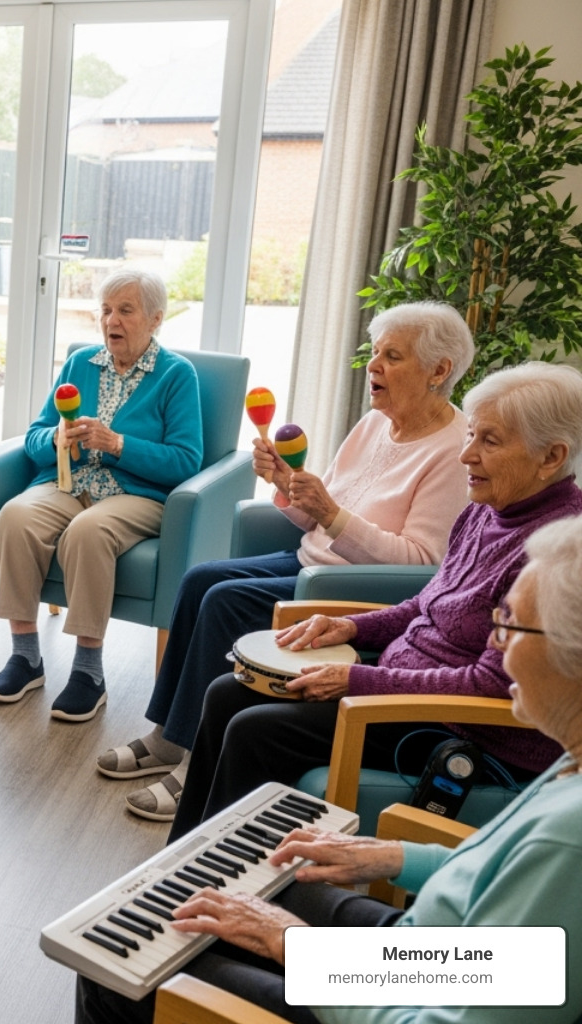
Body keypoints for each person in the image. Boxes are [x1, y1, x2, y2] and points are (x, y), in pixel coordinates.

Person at [77, 513, 582, 1024]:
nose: (494, 645)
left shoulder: (568, 836)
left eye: (510, 625)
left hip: (421, 986)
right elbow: (496, 882)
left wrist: (289, 945)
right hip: (448, 957)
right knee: (233, 891)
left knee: (113, 972)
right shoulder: (571, 764)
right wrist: (395, 856)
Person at [169, 361, 582, 841]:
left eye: (489, 442)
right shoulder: (485, 510)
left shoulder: (557, 550)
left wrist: (359, 679)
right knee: (227, 692)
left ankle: (233, 872)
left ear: (551, 457)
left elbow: (491, 685)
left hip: (464, 729)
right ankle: (185, 859)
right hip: (401, 693)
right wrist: (353, 627)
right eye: (470, 434)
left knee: (256, 730)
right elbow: (425, 604)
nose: (466, 454)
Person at [100, 301, 473, 822]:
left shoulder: (453, 452)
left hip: (348, 587)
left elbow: (421, 564)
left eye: (393, 357)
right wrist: (286, 483)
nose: (373, 366)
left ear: (439, 370)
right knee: (200, 579)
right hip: (310, 559)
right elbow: (320, 516)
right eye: (375, 353)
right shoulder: (374, 423)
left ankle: (192, 764)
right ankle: (168, 735)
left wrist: (330, 513)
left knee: (224, 600)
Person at [0, 269, 202, 721]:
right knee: (15, 517)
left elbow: (186, 461)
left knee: (89, 531)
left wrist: (118, 444)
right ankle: (25, 657)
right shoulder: (81, 363)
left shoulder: (177, 375)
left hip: (136, 494)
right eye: (105, 310)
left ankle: (88, 672)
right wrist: (56, 440)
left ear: (156, 318)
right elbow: (35, 436)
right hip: (69, 483)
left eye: (125, 310)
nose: (111, 321)